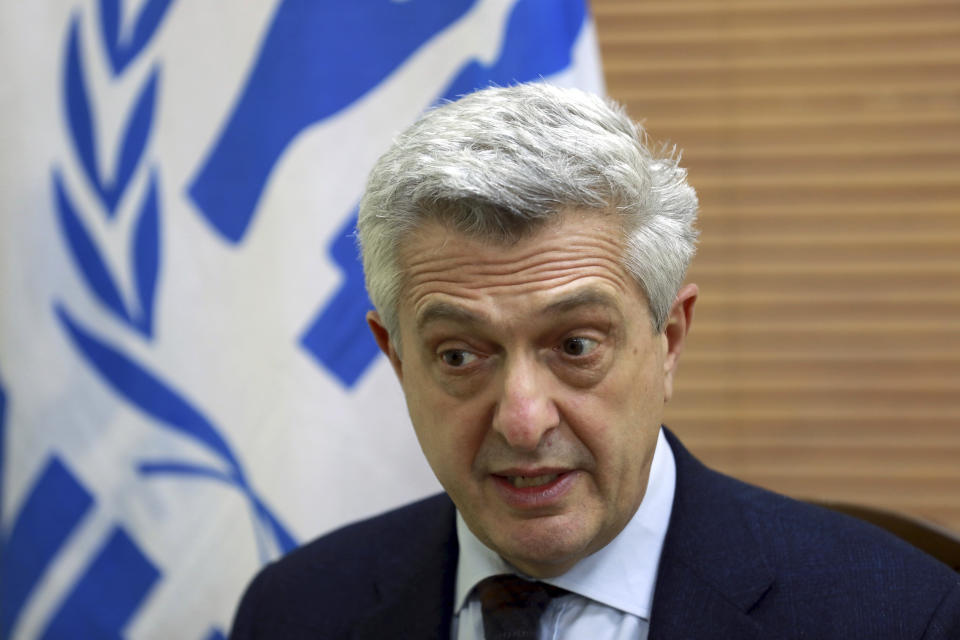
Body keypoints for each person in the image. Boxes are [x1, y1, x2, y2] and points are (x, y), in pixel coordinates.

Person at [230, 83, 960, 639]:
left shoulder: (899, 616)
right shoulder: (294, 611)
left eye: (575, 346)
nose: (521, 420)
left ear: (667, 339)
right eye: (459, 354)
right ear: (397, 360)